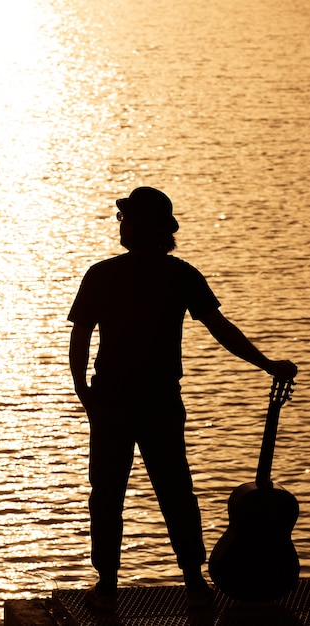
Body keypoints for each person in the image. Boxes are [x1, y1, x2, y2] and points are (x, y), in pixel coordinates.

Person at [67, 186, 297, 611]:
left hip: (119, 404)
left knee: (109, 495)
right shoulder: (179, 274)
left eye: (127, 219)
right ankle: (191, 581)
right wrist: (266, 363)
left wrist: (85, 394)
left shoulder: (105, 274)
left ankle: (109, 585)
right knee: (174, 492)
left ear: (143, 227)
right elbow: (219, 327)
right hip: (151, 404)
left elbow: (81, 338)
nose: (121, 225)